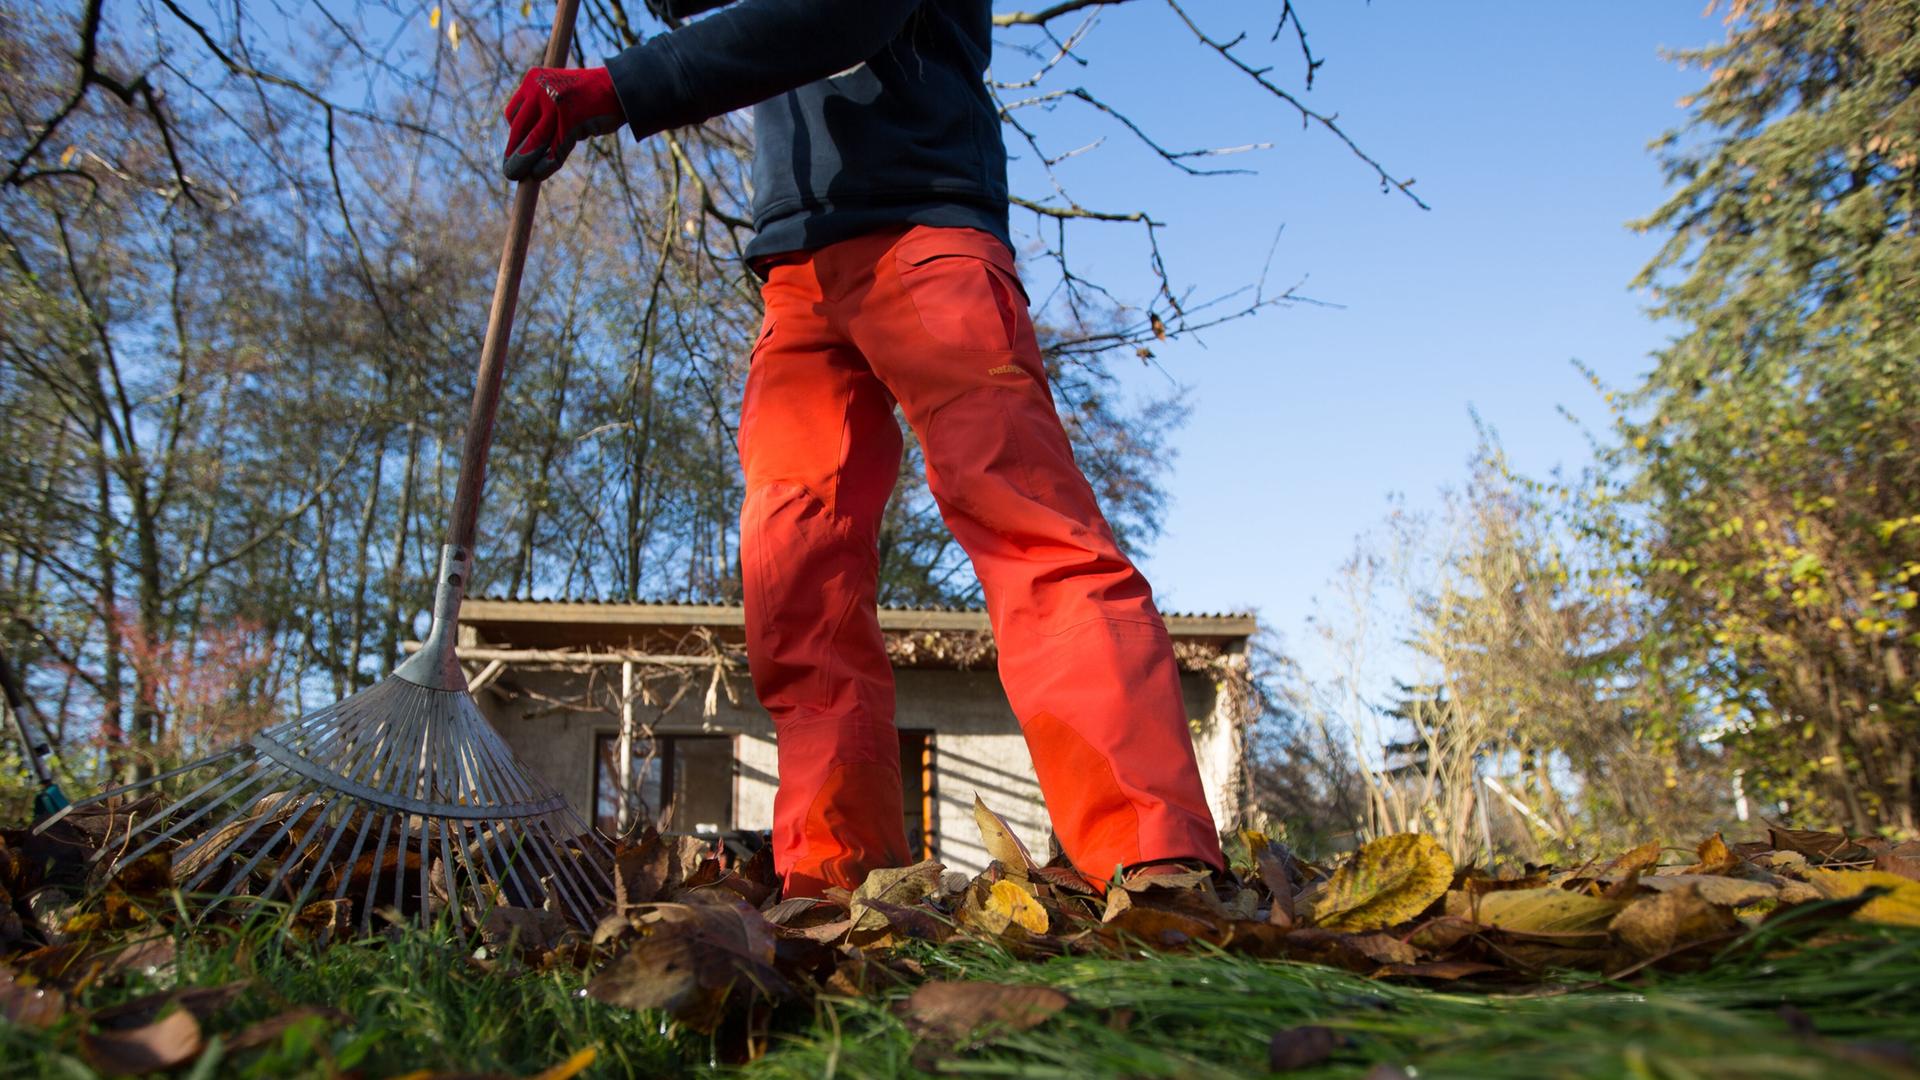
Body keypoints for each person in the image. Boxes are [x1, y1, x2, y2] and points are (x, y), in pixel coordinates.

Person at [502, 0, 1225, 896]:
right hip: (797, 276)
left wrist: (615, 88)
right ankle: (837, 885)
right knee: (795, 583)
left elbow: (834, 18)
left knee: (1028, 530)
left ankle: (1155, 863)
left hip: (928, 241)